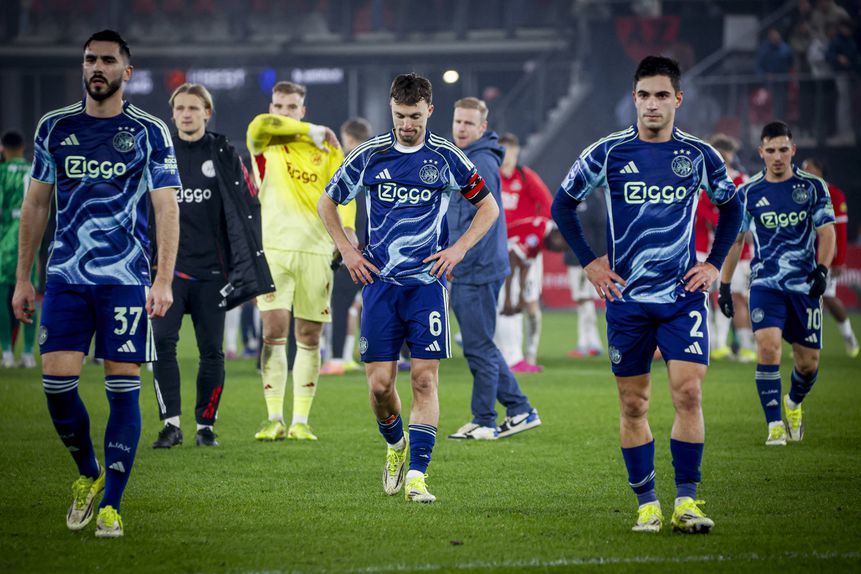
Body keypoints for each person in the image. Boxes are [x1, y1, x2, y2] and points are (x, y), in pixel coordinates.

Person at [552, 56, 742, 534]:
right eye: (643, 95)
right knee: (634, 404)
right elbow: (563, 205)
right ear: (633, 99)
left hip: (681, 296)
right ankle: (647, 503)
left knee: (689, 392)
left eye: (661, 95)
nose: (652, 104)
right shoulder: (608, 152)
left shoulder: (699, 154)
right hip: (627, 300)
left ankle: (687, 501)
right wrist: (591, 262)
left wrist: (714, 264)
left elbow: (732, 208)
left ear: (678, 99)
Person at [12, 30, 181, 538]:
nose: (98, 67)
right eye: (90, 60)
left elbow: (165, 206)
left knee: (122, 389)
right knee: (56, 386)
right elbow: (37, 204)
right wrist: (24, 277)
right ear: (82, 68)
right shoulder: (55, 128)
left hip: (125, 281)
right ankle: (88, 472)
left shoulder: (149, 131)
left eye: (108, 60)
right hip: (65, 277)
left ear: (127, 72)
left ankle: (112, 503)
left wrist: (163, 278)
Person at [318, 73, 499, 503]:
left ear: (429, 111)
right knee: (380, 386)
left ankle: (418, 475)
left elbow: (488, 207)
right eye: (400, 116)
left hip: (427, 288)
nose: (406, 125)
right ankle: (397, 446)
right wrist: (347, 250)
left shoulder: (447, 157)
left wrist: (457, 250)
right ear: (391, 108)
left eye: (415, 116)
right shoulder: (369, 155)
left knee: (423, 380)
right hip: (379, 285)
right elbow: (328, 201)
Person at [150, 83, 274, 449]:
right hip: (167, 274)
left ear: (207, 112)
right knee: (162, 345)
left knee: (212, 351)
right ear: (172, 114)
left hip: (212, 274)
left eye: (194, 108)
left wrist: (246, 266)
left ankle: (206, 425)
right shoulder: (160, 152)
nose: (186, 114)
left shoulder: (223, 152)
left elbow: (246, 206)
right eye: (180, 108)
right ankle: (170, 424)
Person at [246, 81, 355, 441]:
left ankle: (300, 421)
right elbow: (259, 125)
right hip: (274, 250)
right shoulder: (266, 142)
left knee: (309, 335)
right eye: (279, 106)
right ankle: (273, 416)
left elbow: (345, 191)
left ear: (302, 109)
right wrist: (315, 129)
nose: (283, 112)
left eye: (292, 107)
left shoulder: (326, 150)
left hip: (316, 251)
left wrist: (350, 230)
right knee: (273, 332)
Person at [719, 122, 835, 447]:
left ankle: (794, 404)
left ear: (793, 150)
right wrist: (725, 285)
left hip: (804, 286)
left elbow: (827, 232)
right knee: (768, 348)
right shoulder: (749, 192)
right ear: (761, 153)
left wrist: (822, 270)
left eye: (783, 149)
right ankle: (774, 425)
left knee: (807, 364)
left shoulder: (813, 187)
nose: (778, 156)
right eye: (771, 150)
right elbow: (736, 240)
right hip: (766, 284)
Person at [446, 97, 539, 441]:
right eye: (458, 121)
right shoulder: (470, 157)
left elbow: (486, 217)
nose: (461, 128)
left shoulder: (481, 162)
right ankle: (519, 409)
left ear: (482, 128)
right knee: (479, 343)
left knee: (480, 345)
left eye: (469, 124)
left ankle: (485, 419)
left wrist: (459, 256)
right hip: (476, 265)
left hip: (477, 267)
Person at [497, 132, 554, 371]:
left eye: (510, 152)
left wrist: (534, 233)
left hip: (526, 252)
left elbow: (549, 207)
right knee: (503, 299)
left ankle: (528, 354)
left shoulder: (525, 176)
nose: (506, 158)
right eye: (502, 152)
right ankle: (511, 354)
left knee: (529, 304)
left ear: (516, 152)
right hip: (500, 249)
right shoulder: (492, 177)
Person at [321, 117, 372, 375]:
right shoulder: (378, 162)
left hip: (349, 246)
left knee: (339, 302)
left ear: (348, 138)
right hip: (377, 248)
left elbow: (333, 204)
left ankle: (338, 358)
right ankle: (391, 354)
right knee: (378, 303)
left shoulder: (343, 164)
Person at [704, 134, 756, 362]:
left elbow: (746, 216)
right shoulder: (705, 182)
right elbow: (703, 212)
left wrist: (723, 223)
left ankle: (746, 346)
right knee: (710, 297)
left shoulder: (742, 181)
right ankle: (717, 345)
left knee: (737, 297)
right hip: (709, 249)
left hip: (740, 252)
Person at [801, 159, 859, 357]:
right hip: (803, 256)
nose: (805, 170)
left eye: (809, 167)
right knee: (800, 298)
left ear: (820, 170)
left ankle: (848, 334)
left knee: (828, 298)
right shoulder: (800, 193)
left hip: (825, 256)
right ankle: (804, 342)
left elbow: (840, 229)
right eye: (803, 168)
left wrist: (839, 259)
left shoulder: (834, 194)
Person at [496, 217, 567, 366]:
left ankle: (514, 359)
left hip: (502, 256)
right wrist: (509, 297)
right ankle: (508, 358)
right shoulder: (537, 234)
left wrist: (522, 296)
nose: (559, 250)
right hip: (495, 256)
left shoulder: (541, 235)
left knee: (515, 310)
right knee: (506, 310)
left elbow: (524, 265)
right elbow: (512, 260)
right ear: (557, 235)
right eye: (562, 245)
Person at [0, 129, 37, 368]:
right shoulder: (34, 169)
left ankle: (6, 352)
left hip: (6, 240)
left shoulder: (2, 172)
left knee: (3, 294)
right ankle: (28, 353)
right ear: (22, 148)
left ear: (3, 149)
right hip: (32, 237)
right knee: (30, 293)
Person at [564, 187, 607, 358]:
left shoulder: (593, 197)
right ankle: (592, 342)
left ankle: (587, 343)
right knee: (582, 300)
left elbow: (601, 226)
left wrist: (598, 257)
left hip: (586, 258)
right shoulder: (570, 196)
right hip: (575, 257)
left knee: (585, 300)